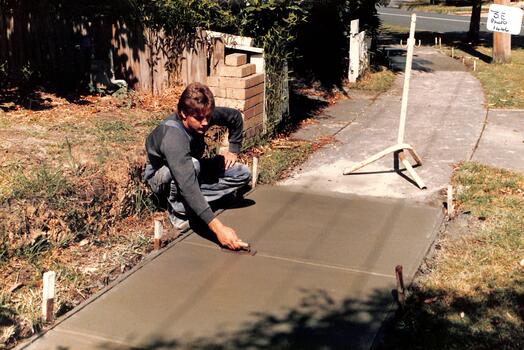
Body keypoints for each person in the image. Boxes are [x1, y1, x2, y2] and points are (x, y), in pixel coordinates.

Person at [144, 82, 251, 250]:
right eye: (199, 119)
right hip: (161, 175)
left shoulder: (203, 114)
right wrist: (219, 229)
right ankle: (179, 212)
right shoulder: (173, 136)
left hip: (190, 169)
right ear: (183, 114)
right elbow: (187, 184)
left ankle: (196, 204)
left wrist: (233, 150)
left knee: (242, 173)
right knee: (192, 168)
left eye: (208, 117)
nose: (205, 123)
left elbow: (235, 117)